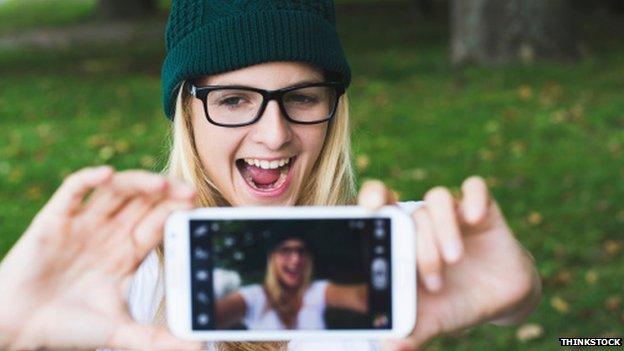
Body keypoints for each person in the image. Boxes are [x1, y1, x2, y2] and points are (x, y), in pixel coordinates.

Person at [0, 1, 541, 350]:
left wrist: (515, 294)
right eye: (234, 100)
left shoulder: (401, 246)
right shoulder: (121, 274)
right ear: (186, 111)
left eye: (302, 98)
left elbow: (510, 297)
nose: (274, 134)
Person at [214, 233, 368, 330]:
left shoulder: (316, 291)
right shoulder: (255, 295)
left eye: (301, 251)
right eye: (285, 251)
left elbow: (359, 297)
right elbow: (217, 314)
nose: (295, 259)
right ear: (272, 258)